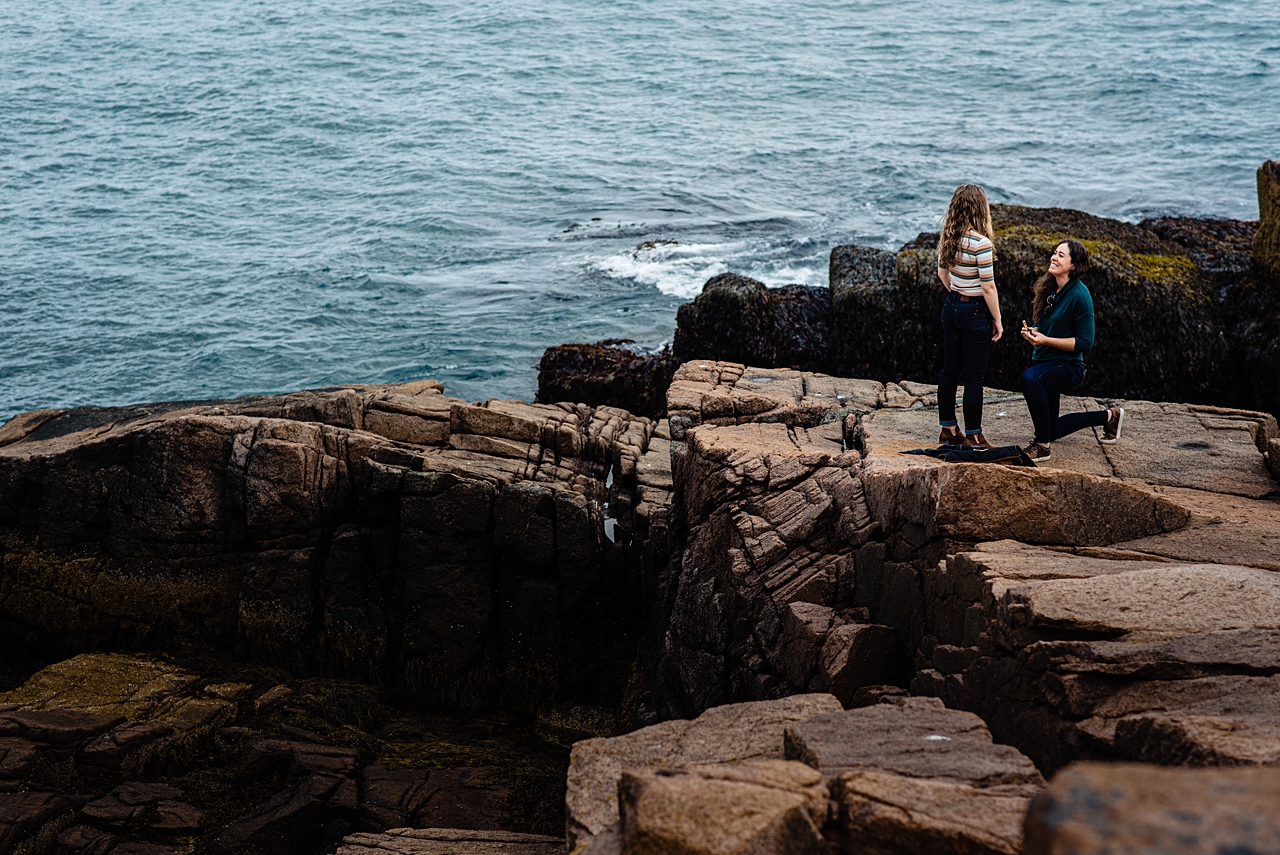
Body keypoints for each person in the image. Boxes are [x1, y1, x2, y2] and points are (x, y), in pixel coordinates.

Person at [1018, 239, 1124, 462]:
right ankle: (1109, 416)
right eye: (1054, 253)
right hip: (1046, 362)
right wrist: (1035, 332)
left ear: (1074, 265)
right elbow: (1052, 328)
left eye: (1061, 255)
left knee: (1030, 379)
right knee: (1053, 428)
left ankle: (1042, 446)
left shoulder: (1080, 295)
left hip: (1069, 367)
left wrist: (1046, 340)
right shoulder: (1051, 288)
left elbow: (1086, 342)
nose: (1053, 257)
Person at [936, 184, 1003, 448]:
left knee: (950, 371)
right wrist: (997, 320)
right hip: (975, 312)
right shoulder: (982, 243)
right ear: (981, 209)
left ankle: (949, 430)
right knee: (974, 377)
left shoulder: (948, 237)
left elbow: (943, 274)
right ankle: (974, 435)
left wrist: (957, 293)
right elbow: (988, 286)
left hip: (951, 307)